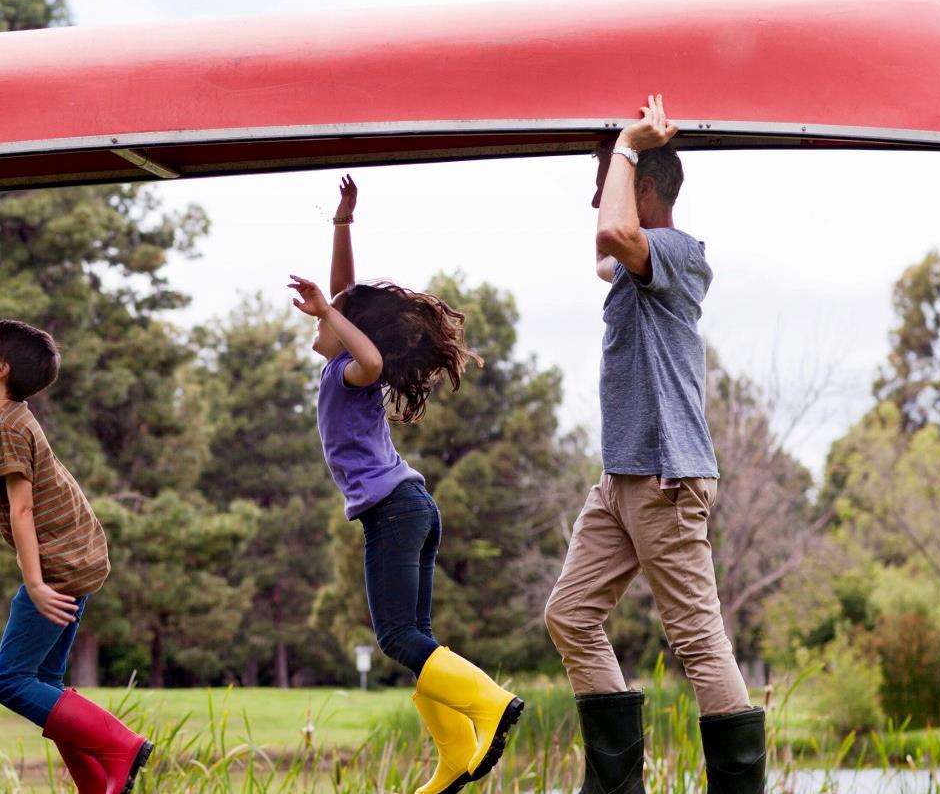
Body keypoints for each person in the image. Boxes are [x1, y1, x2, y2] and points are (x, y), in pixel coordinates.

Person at [543, 95, 768, 794]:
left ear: (644, 187)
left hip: (666, 479)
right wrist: (612, 153)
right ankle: (616, 786)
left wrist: (626, 144)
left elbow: (613, 230)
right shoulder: (632, 272)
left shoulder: (676, 253)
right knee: (568, 614)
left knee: (698, 640)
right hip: (621, 478)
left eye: (612, 182)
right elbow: (602, 242)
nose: (597, 204)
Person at [289, 174, 523, 794]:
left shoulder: (352, 373)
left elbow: (368, 355)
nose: (318, 324)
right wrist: (342, 225)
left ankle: (492, 704)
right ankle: (454, 757)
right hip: (409, 507)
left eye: (331, 320)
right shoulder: (342, 363)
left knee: (396, 638)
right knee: (415, 639)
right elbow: (350, 297)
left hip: (396, 512)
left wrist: (330, 310)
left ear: (343, 329)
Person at [0, 319, 152, 794]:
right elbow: (1, 504)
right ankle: (96, 783)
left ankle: (123, 747)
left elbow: (21, 509)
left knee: (9, 682)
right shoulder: (6, 421)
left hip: (60, 565)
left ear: (1, 368)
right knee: (45, 680)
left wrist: (35, 584)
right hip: (76, 555)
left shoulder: (7, 425)